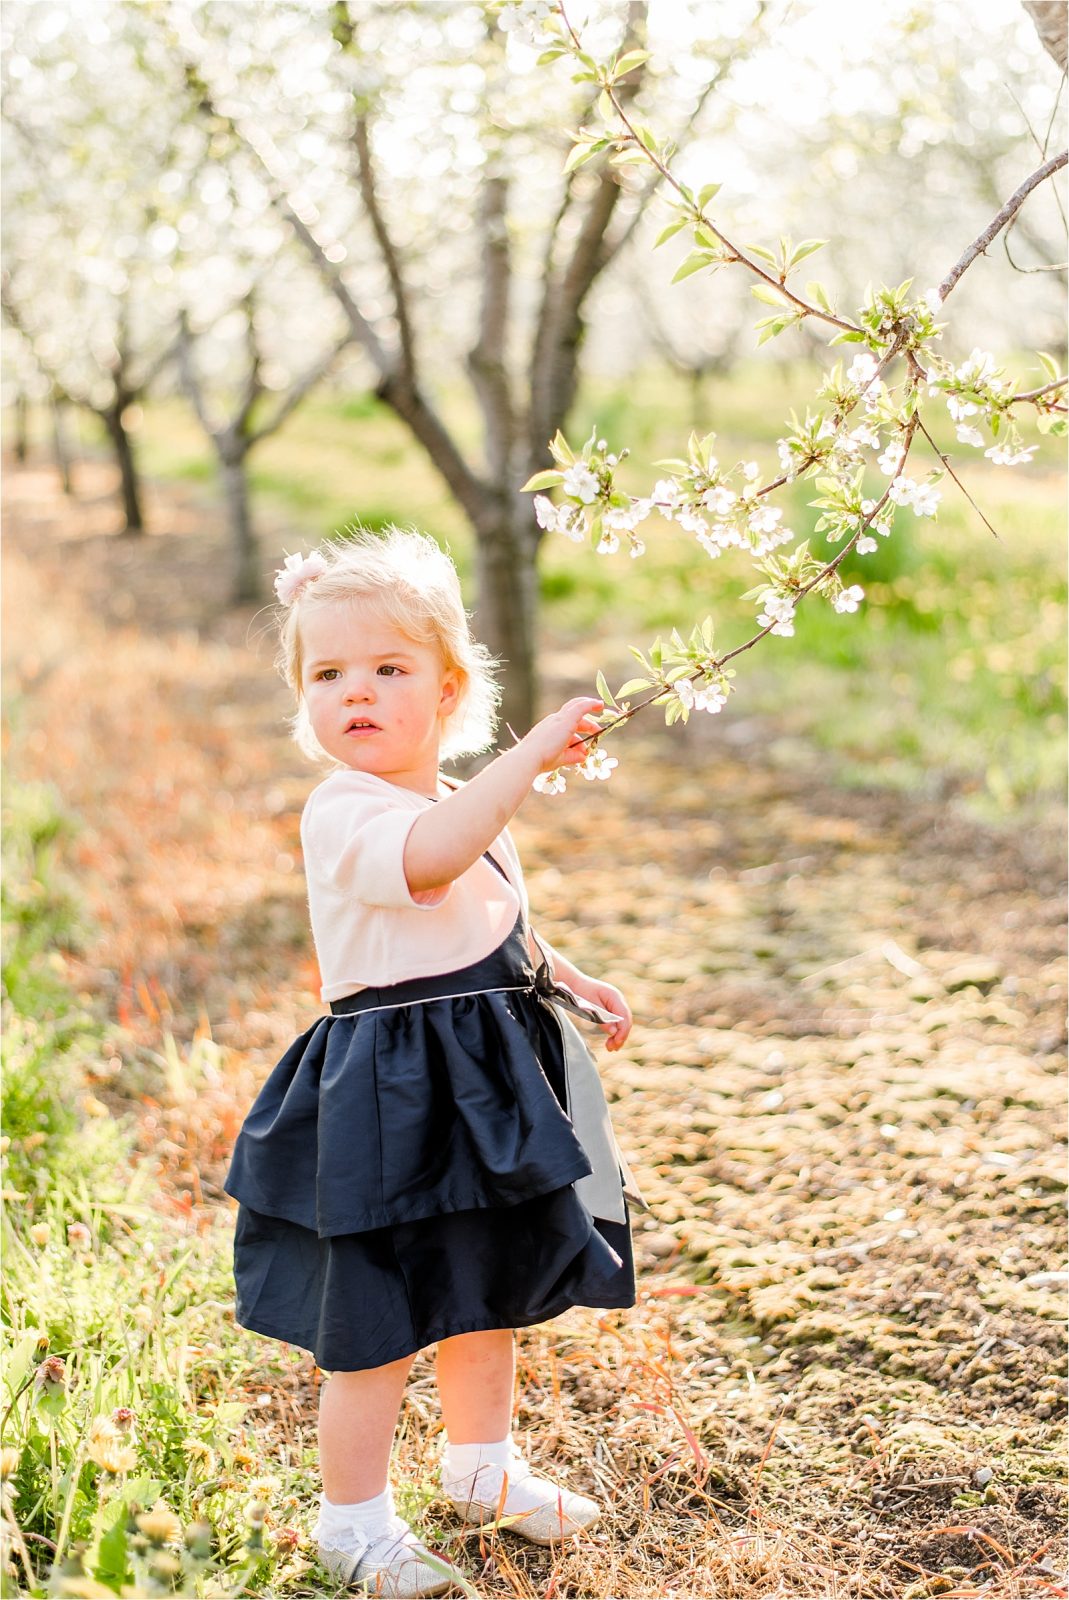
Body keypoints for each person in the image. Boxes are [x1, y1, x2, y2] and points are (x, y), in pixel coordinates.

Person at [222, 526, 648, 1597]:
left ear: (449, 690)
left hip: (480, 1080)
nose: (353, 693)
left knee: (485, 1285)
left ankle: (481, 1467)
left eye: (386, 669)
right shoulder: (346, 809)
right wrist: (531, 751)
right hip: (391, 1091)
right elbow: (433, 860)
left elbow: (489, 912)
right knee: (377, 1318)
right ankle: (352, 1523)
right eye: (327, 675)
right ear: (303, 701)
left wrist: (565, 976)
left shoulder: (451, 800)